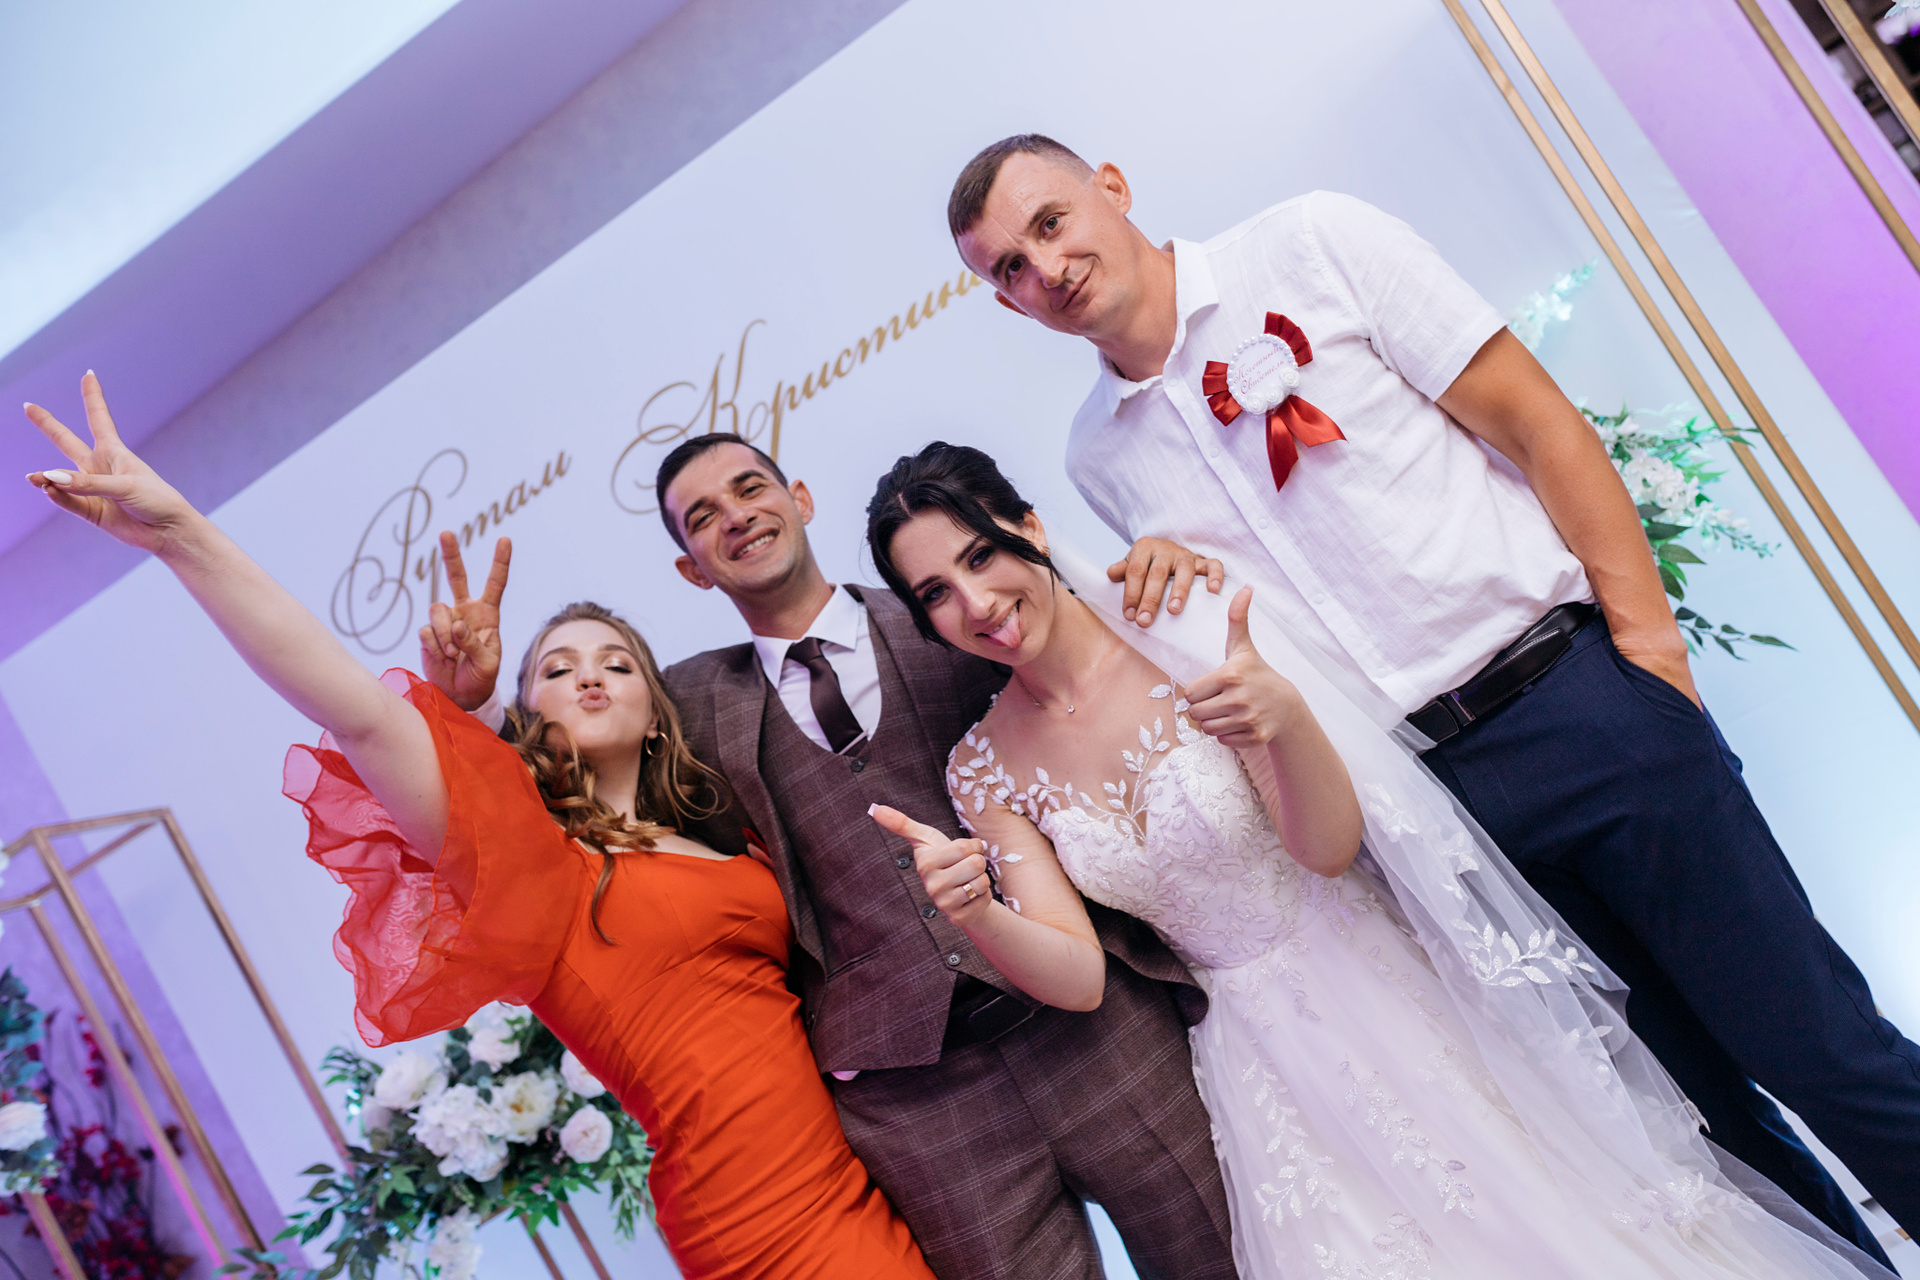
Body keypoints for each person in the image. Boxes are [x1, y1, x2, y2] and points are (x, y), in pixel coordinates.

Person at [944, 133, 1920, 1256]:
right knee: (1703, 1130)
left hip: (1580, 707)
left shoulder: (1312, 243)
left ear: (1111, 188)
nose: (1045, 267)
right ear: (1007, 304)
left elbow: (1535, 420)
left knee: (1820, 1049)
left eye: (1051, 222)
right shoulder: (1098, 459)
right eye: (1009, 268)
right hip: (1437, 815)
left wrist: (1650, 658)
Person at [865, 439, 1895, 1280]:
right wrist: (980, 915)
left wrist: (1282, 719)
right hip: (1268, 1063)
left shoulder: (1182, 625)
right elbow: (1080, 974)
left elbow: (1326, 848)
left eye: (982, 556)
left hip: (1403, 977)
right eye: (937, 593)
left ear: (1032, 526)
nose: (977, 602)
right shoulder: (982, 765)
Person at [20, 374, 939, 1280]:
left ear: (658, 710)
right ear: (527, 718)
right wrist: (182, 536)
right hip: (756, 1222)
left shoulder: (724, 831)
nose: (591, 676)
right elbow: (357, 714)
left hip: (856, 1178)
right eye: (558, 670)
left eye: (617, 663)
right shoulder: (536, 866)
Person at [620, 431, 1240, 1280]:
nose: (736, 515)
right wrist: (470, 709)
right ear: (691, 569)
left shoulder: (959, 609)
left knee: (1229, 1259)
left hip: (1101, 1030)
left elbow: (1089, 645)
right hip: (921, 1105)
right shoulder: (686, 706)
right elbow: (563, 764)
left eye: (750, 487)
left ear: (799, 498)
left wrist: (1156, 555)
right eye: (703, 516)